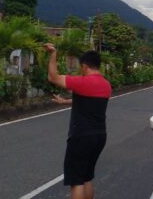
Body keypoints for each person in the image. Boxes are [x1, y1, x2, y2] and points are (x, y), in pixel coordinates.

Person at [45, 43, 112, 199]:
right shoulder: (106, 85)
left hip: (81, 137)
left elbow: (52, 77)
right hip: (99, 136)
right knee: (87, 177)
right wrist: (66, 102)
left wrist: (53, 53)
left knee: (76, 181)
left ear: (84, 66)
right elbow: (90, 102)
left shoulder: (82, 82)